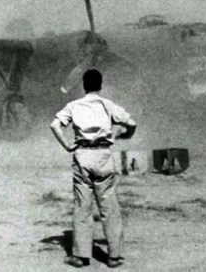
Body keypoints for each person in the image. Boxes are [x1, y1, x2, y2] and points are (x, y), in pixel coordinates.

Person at [50, 69, 137, 268]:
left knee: (82, 207)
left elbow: (55, 125)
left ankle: (81, 256)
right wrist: (123, 135)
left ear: (83, 85)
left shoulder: (73, 106)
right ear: (100, 85)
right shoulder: (107, 105)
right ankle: (114, 256)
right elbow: (132, 123)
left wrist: (67, 145)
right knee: (109, 207)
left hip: (82, 155)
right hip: (104, 155)